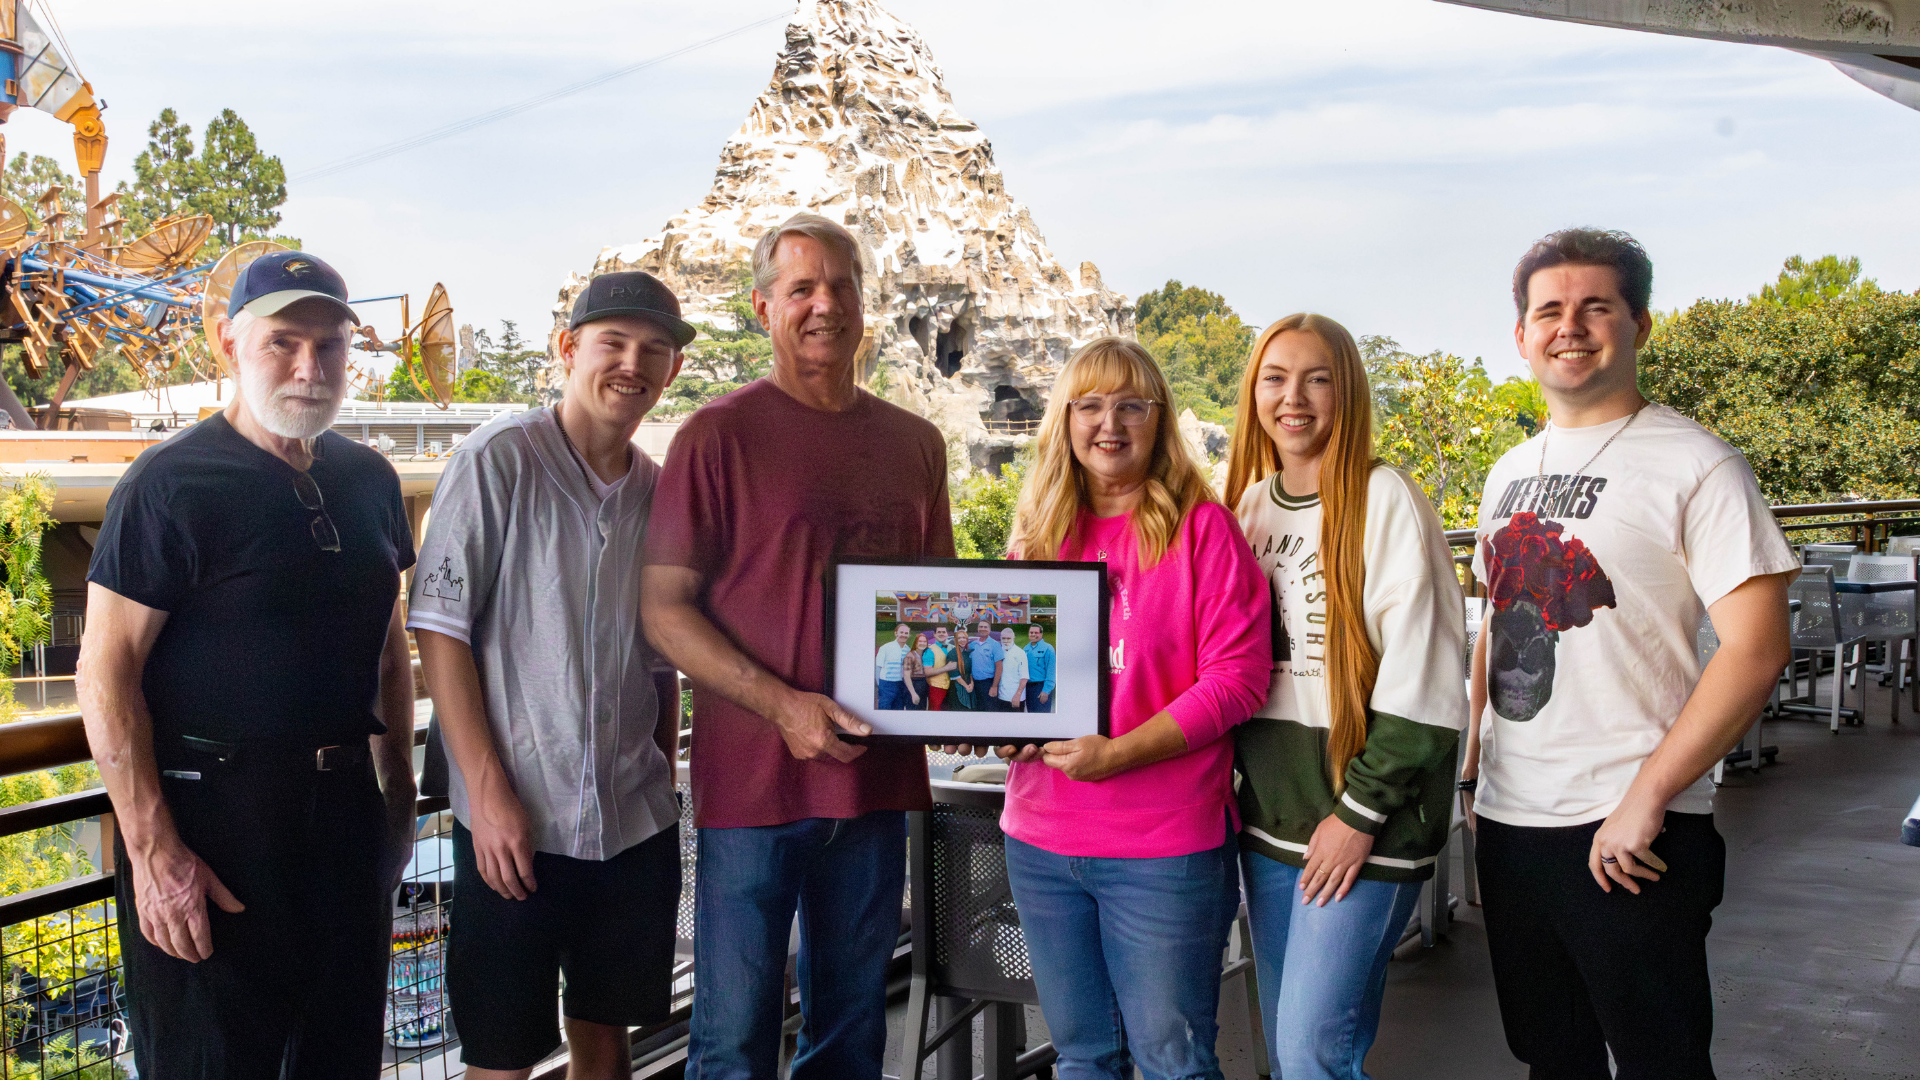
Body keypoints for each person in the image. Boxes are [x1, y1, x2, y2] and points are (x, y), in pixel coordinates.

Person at [1465, 229, 1795, 1079]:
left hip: (1632, 829)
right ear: (1522, 334)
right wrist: (1472, 772)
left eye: (1595, 307)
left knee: (1663, 1061)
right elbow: (1495, 626)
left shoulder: (1699, 464)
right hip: (1512, 821)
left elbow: (1757, 651)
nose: (1569, 327)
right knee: (1551, 1057)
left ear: (1640, 324)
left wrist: (1649, 796)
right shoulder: (1507, 471)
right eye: (1549, 310)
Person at [78, 251, 418, 1078]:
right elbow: (105, 672)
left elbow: (388, 643)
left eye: (331, 346)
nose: (310, 367)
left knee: (341, 1060)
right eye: (283, 342)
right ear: (229, 342)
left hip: (342, 821)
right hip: (213, 829)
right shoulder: (169, 484)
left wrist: (398, 797)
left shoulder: (369, 479)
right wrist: (155, 851)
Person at [639, 212, 953, 1080]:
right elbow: (664, 611)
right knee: (733, 1042)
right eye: (802, 288)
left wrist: (975, 700)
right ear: (763, 307)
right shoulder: (716, 437)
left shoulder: (916, 443)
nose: (824, 304)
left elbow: (939, 612)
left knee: (850, 1038)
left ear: (864, 304)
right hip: (754, 789)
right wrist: (785, 707)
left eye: (841, 286)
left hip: (875, 782)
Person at [961, 337, 1271, 1080]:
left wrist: (1119, 753)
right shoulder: (1037, 538)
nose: (1111, 423)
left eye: (1132, 405)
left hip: (1164, 849)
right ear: (1065, 421)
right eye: (1091, 405)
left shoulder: (1204, 531)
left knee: (1175, 1062)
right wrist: (1010, 733)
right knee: (1082, 1057)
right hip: (1040, 840)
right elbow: (1020, 680)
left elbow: (1239, 680)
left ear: (1158, 421)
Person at [409, 271, 690, 1080]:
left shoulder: (658, 491)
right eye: (613, 343)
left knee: (607, 1044)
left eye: (654, 350)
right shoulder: (500, 458)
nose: (632, 364)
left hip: (632, 818)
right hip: (516, 823)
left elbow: (659, 656)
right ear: (568, 349)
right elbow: (439, 628)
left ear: (670, 371)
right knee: (502, 1058)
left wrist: (663, 776)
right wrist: (488, 792)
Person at [1221, 313, 1469, 1079]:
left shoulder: (1385, 498)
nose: (1294, 397)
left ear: (1348, 391)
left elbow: (1426, 678)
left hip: (1366, 823)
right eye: (1275, 377)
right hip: (1271, 822)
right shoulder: (1246, 508)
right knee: (1302, 1049)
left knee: (1310, 1053)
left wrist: (1358, 816)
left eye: (1317, 378)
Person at [962, 620, 1004, 712]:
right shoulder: (972, 645)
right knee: (977, 710)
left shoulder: (995, 645)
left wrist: (994, 686)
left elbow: (999, 667)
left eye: (985, 627)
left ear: (989, 630)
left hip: (988, 683)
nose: (983, 629)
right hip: (974, 684)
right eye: (981, 627)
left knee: (989, 711)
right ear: (977, 629)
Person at [875, 622, 913, 710]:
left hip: (901, 684)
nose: (903, 635)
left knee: (898, 709)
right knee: (884, 709)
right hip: (886, 684)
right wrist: (880, 685)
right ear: (896, 633)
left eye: (906, 633)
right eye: (901, 632)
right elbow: (878, 667)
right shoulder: (885, 648)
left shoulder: (908, 650)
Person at [993, 627, 1028, 712]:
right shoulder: (998, 651)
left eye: (1008, 638)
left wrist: (1018, 695)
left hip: (1015, 697)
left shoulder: (1020, 653)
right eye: (1003, 638)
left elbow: (1024, 677)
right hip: (1001, 696)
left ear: (1013, 638)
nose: (1006, 641)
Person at [1023, 623, 1056, 713]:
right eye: (1031, 632)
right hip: (1028, 688)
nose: (1033, 634)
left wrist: (1046, 691)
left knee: (1042, 716)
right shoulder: (1026, 648)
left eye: (1036, 633)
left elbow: (1051, 671)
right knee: (1031, 715)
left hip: (1041, 688)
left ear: (1041, 634)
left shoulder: (1048, 649)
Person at [925, 626, 957, 711]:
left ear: (947, 634)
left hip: (952, 686)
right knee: (935, 711)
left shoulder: (953, 648)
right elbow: (927, 672)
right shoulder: (930, 650)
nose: (941, 634)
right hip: (937, 686)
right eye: (939, 632)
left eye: (943, 632)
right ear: (934, 634)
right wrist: (947, 668)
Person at [904, 632, 932, 709]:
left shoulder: (926, 654)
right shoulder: (910, 656)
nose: (922, 643)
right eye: (920, 641)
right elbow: (906, 676)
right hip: (914, 687)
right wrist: (913, 693)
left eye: (924, 641)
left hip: (924, 687)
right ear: (916, 643)